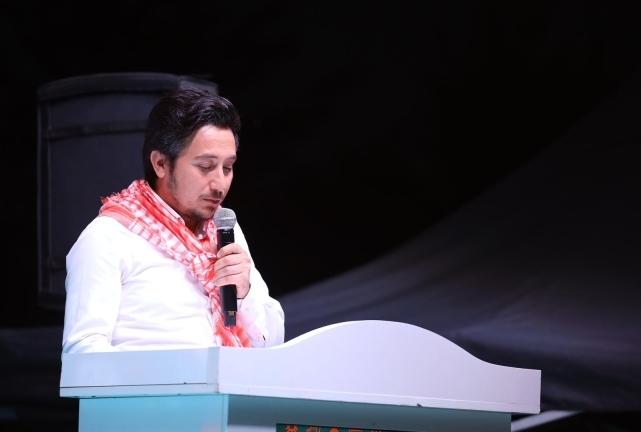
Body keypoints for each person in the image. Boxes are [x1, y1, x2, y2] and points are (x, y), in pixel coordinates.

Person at [62, 87, 285, 353]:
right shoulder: (107, 238)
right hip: (154, 381)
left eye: (227, 167)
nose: (220, 184)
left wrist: (245, 293)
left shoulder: (225, 229)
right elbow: (83, 352)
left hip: (232, 377)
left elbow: (273, 343)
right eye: (205, 167)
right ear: (160, 163)